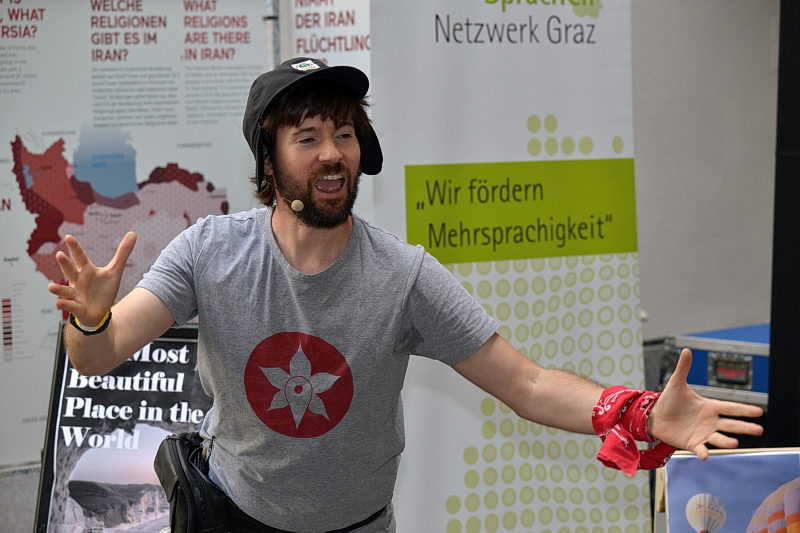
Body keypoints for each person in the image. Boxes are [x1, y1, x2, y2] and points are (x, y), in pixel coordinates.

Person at [48, 57, 764, 533]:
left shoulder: (403, 275)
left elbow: (527, 384)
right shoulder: (210, 251)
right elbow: (99, 352)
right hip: (233, 516)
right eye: (307, 136)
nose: (332, 152)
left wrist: (638, 411)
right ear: (270, 160)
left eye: (344, 133)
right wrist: (91, 317)